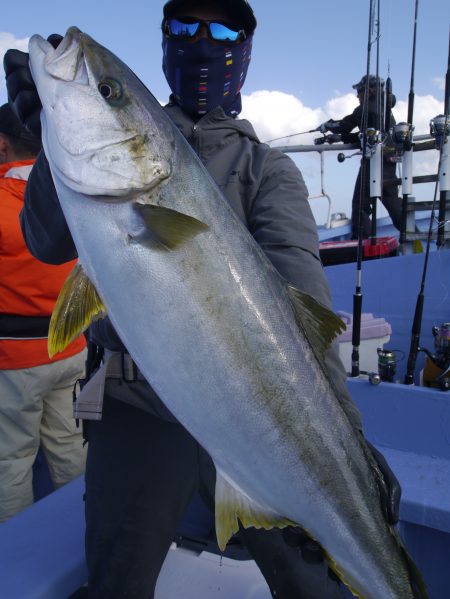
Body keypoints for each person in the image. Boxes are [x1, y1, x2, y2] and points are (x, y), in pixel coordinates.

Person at [4, 2, 400, 597]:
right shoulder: (107, 158)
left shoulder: (268, 171)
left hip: (257, 419)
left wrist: (349, 442)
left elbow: (304, 314)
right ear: (164, 42)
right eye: (185, 27)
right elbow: (48, 239)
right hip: (139, 406)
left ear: (243, 50)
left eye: (221, 30)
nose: (202, 42)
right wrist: (51, 136)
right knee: (117, 581)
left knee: (315, 585)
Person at [0, 103, 87, 523]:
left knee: (12, 460)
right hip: (72, 351)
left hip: (15, 362)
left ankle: (15, 556)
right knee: (71, 446)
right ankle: (79, 536)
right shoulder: (67, 194)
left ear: (2, 145)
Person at [317, 74, 403, 239]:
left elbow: (343, 125)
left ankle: (361, 244)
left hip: (374, 161)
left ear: (369, 90)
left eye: (359, 91)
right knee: (392, 203)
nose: (357, 96)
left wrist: (326, 126)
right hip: (389, 160)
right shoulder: (385, 108)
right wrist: (339, 139)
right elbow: (368, 133)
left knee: (360, 205)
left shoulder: (364, 109)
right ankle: (409, 230)